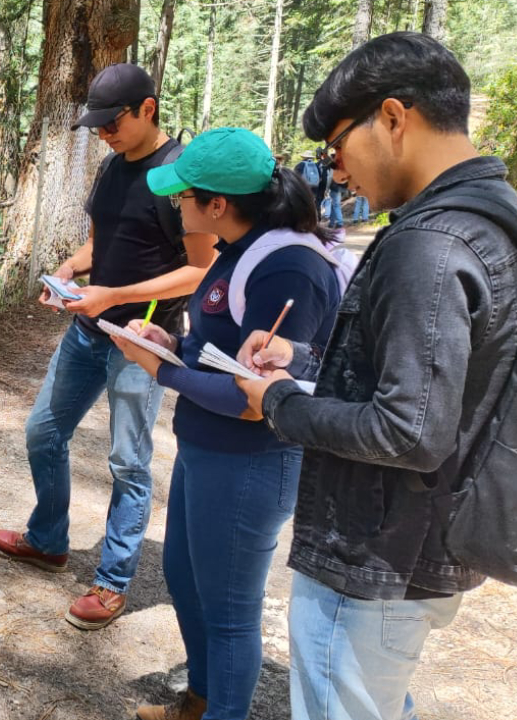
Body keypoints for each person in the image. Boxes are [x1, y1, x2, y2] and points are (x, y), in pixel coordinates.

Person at [235, 32, 517, 720]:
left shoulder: (432, 241)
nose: (335, 172)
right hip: (421, 546)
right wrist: (301, 364)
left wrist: (278, 403)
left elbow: (408, 428)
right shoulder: (491, 215)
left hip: (373, 556)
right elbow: (432, 374)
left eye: (336, 147)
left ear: (393, 117)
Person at [111, 128, 344, 720]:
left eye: (181, 197)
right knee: (184, 576)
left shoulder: (286, 268)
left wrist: (160, 372)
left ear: (217, 204)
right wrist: (173, 345)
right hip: (207, 446)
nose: (175, 208)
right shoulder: (241, 248)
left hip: (250, 460)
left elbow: (253, 399)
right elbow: (223, 349)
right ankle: (202, 699)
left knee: (230, 607)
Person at [0, 63, 218, 630]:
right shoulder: (113, 167)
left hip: (142, 341)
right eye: (98, 124)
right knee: (43, 430)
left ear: (149, 108)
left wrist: (115, 294)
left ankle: (112, 582)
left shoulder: (178, 174)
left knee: (128, 462)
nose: (104, 132)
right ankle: (48, 539)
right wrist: (70, 268)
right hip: (88, 330)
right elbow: (104, 240)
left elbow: (201, 270)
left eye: (113, 121)